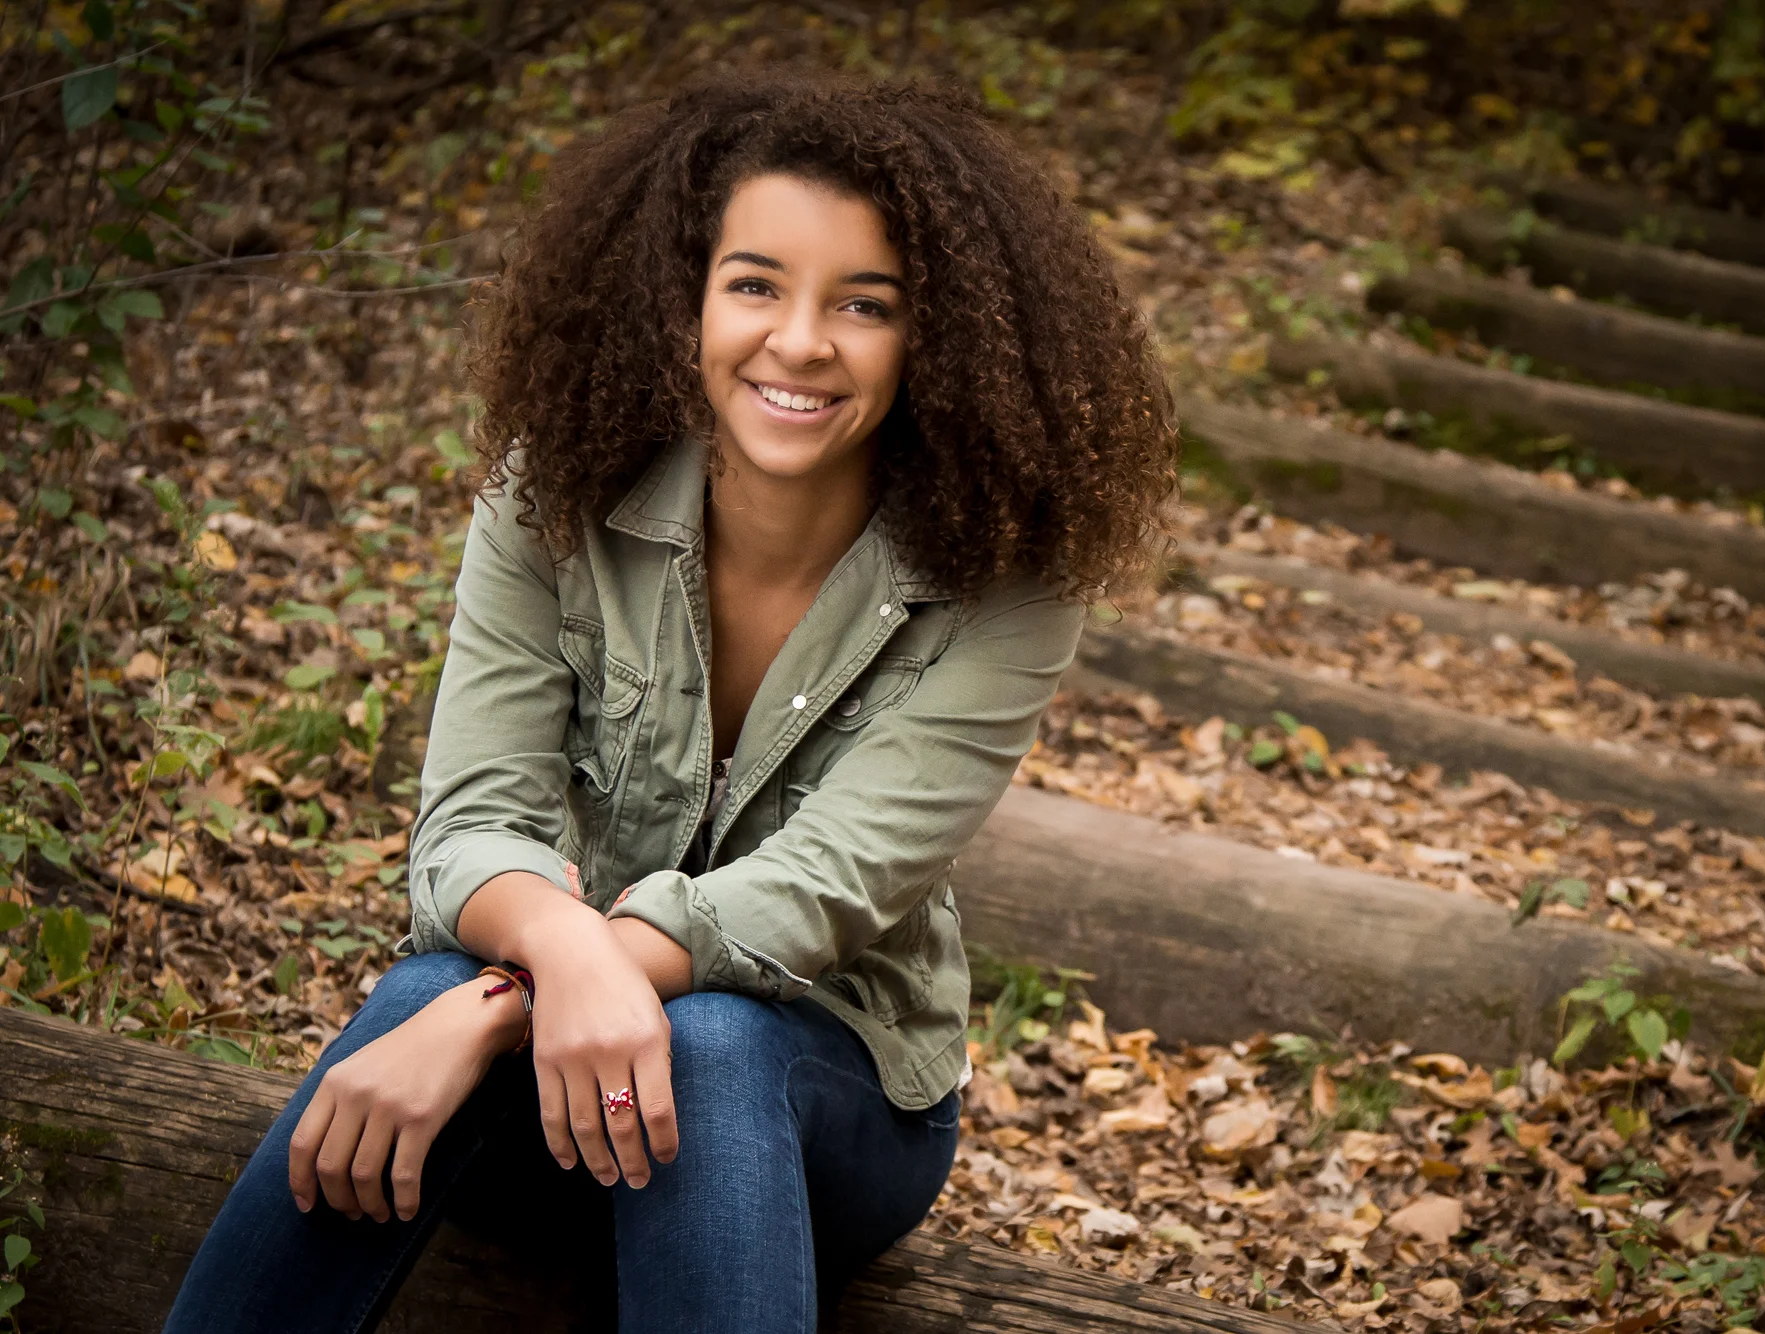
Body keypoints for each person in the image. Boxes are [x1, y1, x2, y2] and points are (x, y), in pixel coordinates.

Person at [162, 71, 1176, 1333]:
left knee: (701, 1039)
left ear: (940, 338)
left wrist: (530, 987)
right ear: (683, 294)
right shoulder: (561, 485)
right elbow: (471, 816)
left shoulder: (1005, 571)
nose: (798, 341)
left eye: (864, 305)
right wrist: (553, 961)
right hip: (550, 1088)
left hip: (833, 1105)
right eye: (754, 283)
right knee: (422, 1001)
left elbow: (829, 882)